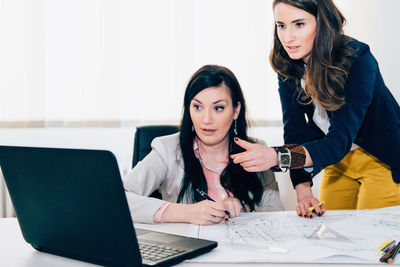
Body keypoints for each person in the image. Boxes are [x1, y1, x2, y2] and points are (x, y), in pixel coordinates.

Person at [231, 0, 400, 218]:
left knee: (370, 243)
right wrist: (303, 190)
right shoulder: (287, 62)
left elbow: (339, 140)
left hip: (381, 160)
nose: (288, 37)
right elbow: (295, 131)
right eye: (281, 25)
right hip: (338, 162)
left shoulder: (357, 58)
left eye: (299, 24)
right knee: (327, 232)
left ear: (322, 22)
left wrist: (277, 156)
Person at [123, 65, 283, 225]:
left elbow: (277, 215)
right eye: (197, 107)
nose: (206, 119)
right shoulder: (166, 149)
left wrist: (242, 208)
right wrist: (186, 213)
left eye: (218, 108)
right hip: (189, 248)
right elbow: (120, 198)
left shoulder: (256, 150)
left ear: (236, 110)